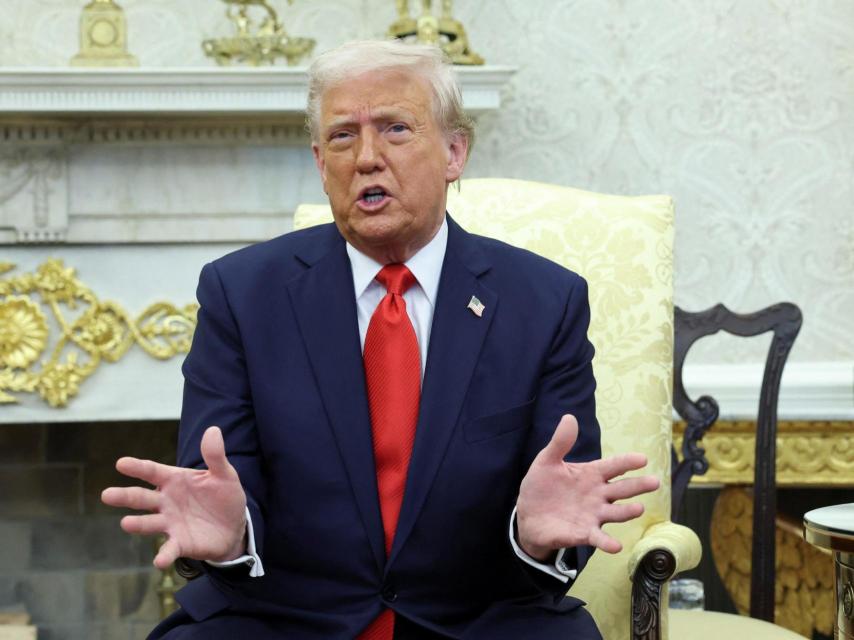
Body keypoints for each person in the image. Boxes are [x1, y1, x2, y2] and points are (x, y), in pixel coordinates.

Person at [102, 39, 659, 639]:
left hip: (476, 617)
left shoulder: (544, 301)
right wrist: (234, 536)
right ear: (321, 164)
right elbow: (217, 479)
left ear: (454, 151)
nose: (366, 157)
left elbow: (563, 493)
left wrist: (532, 535)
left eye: (395, 129)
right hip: (289, 617)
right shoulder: (241, 294)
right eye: (343, 137)